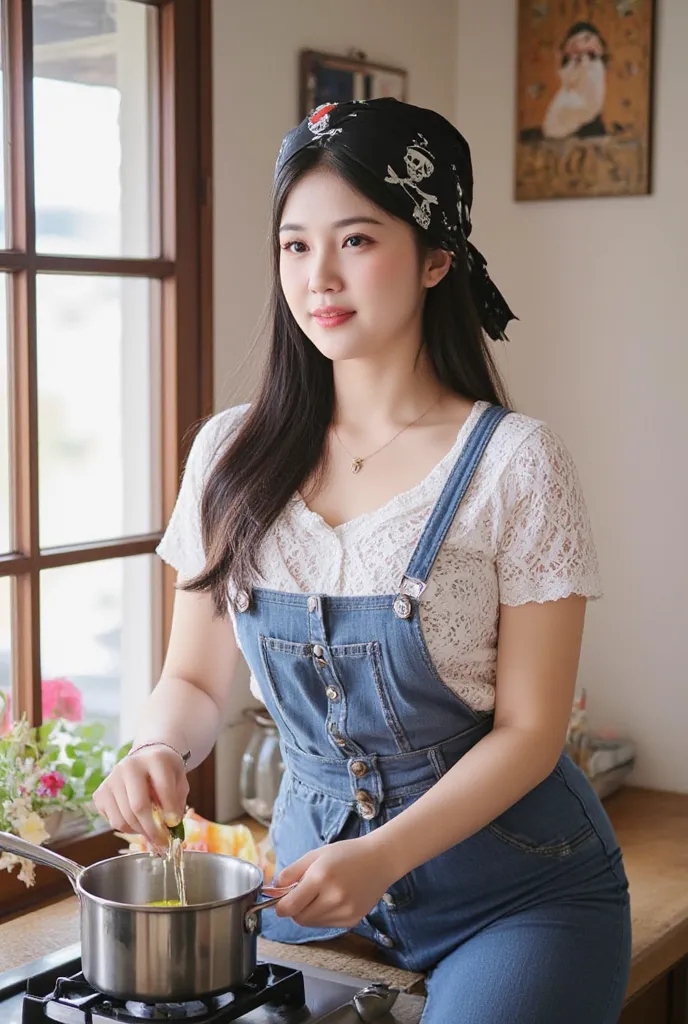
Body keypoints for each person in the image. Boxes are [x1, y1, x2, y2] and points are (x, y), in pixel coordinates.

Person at [94, 98, 631, 1022]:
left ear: (435, 257)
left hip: (518, 899)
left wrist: (382, 855)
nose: (320, 276)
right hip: (306, 891)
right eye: (295, 245)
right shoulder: (231, 453)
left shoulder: (516, 462)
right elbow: (193, 675)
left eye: (356, 239)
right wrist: (155, 747)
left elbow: (532, 733)